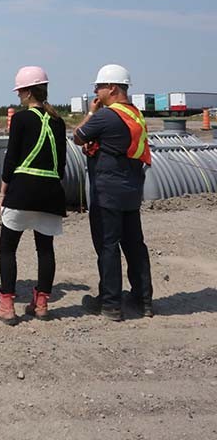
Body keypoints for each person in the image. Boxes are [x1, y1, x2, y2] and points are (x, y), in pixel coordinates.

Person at [73, 64, 153, 321]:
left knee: (108, 246)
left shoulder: (106, 116)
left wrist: (91, 111)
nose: (96, 91)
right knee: (134, 246)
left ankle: (110, 304)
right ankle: (143, 301)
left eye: (98, 86)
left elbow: (78, 136)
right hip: (131, 191)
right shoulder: (135, 115)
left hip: (107, 192)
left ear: (112, 88)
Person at [0, 67, 67, 325]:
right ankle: (42, 303)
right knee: (45, 248)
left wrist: (4, 191)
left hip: (23, 190)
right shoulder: (58, 121)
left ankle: (6, 305)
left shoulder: (22, 120)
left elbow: (11, 158)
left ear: (26, 91)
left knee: (7, 247)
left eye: (20, 91)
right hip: (51, 192)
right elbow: (62, 164)